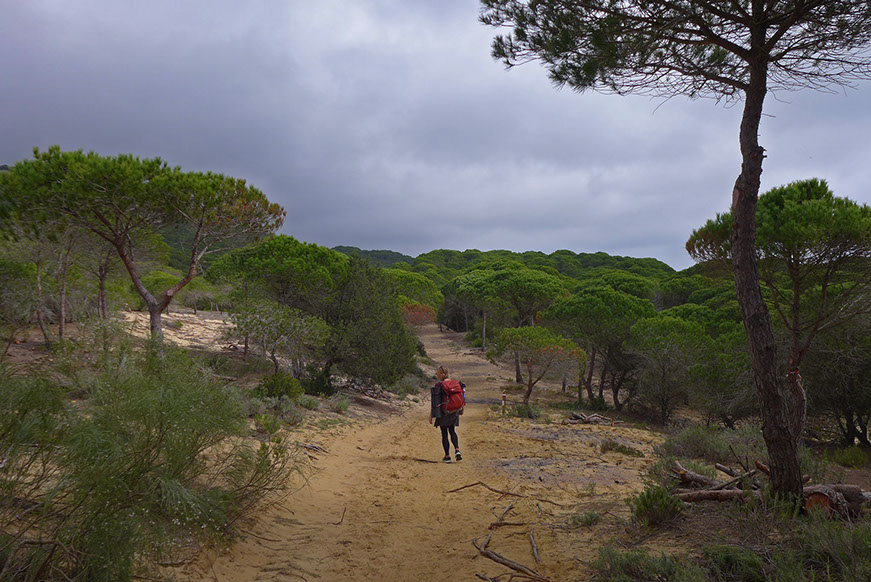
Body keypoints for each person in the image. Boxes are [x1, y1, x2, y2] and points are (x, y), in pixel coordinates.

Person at [430, 365, 464, 462]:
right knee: (452, 431)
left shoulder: (439, 385)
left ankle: (447, 456)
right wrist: (461, 409)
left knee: (444, 433)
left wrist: (431, 415)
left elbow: (435, 403)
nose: (437, 375)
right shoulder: (456, 383)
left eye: (437, 373)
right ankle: (457, 450)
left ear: (441, 374)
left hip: (444, 412)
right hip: (454, 411)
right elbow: (462, 396)